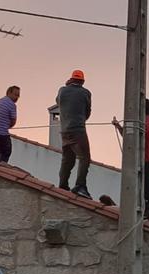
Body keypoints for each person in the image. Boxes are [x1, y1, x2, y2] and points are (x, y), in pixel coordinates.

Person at [56, 70, 92, 199]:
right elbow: (87, 113)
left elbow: (58, 102)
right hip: (78, 130)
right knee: (84, 158)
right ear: (82, 81)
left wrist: (66, 86)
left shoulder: (62, 90)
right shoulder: (85, 93)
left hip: (65, 131)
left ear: (71, 79)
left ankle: (63, 185)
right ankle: (80, 186)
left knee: (67, 159)